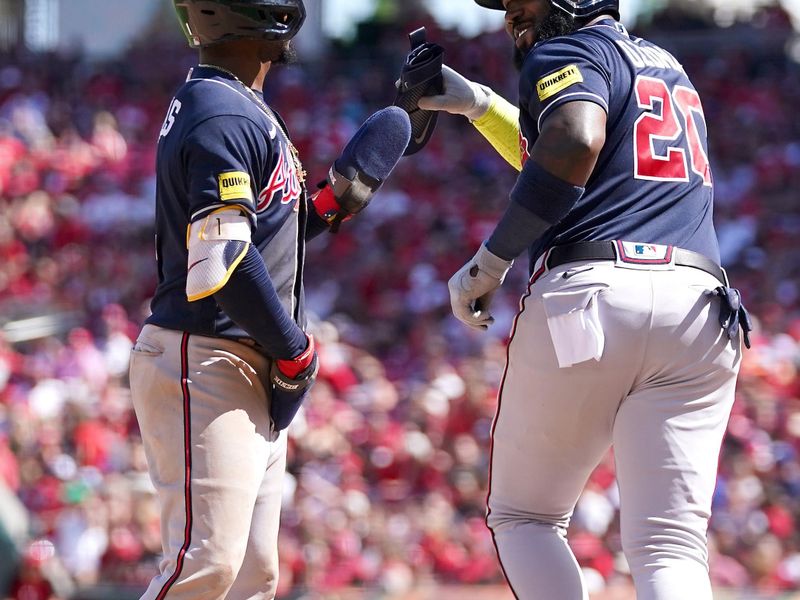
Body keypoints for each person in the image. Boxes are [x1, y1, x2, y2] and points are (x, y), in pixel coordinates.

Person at [414, 1, 751, 598]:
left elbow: (573, 140)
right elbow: (565, 158)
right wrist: (482, 106)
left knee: (527, 518)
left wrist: (491, 260)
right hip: (702, 309)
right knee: (670, 546)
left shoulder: (567, 48)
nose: (512, 10)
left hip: (595, 296)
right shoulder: (668, 66)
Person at [128, 1, 409, 598]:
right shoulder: (220, 110)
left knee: (250, 575)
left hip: (235, 358)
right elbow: (221, 258)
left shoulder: (227, 100)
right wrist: (293, 348)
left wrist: (328, 205)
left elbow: (255, 233)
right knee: (206, 566)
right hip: (207, 357)